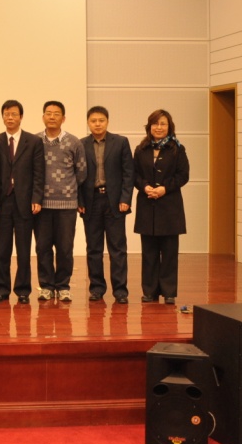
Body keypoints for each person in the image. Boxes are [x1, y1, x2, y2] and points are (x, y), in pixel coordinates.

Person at [77, 106, 134, 304]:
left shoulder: (121, 142)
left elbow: (128, 173)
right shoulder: (81, 144)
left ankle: (120, 291)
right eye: (93, 121)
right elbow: (77, 176)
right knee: (93, 248)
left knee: (117, 248)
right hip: (91, 201)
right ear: (88, 123)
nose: (97, 124)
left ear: (107, 121)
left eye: (101, 120)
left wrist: (125, 199)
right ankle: (96, 288)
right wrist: (80, 201)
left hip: (115, 201)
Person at [133, 108, 189, 305]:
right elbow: (134, 174)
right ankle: (149, 291)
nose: (159, 127)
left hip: (170, 206)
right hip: (147, 205)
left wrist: (165, 189)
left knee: (169, 252)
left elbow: (183, 175)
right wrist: (144, 186)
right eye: (155, 124)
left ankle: (169, 292)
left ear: (169, 127)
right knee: (149, 253)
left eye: (163, 124)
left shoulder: (177, 149)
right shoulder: (141, 149)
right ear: (149, 126)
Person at [34, 100, 87, 303]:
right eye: (48, 113)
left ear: (63, 118)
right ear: (43, 117)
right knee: (43, 247)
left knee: (65, 248)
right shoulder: (35, 141)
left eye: (56, 114)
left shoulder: (74, 142)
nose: (52, 117)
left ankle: (63, 286)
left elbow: (81, 172)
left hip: (66, 205)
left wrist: (68, 190)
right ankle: (46, 286)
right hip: (41, 205)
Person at [0, 99, 44, 304]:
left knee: (23, 250)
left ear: (21, 117)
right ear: (2, 117)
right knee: (1, 249)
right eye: (6, 114)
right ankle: (1, 290)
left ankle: (23, 290)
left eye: (14, 114)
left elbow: (39, 173)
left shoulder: (33, 141)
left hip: (25, 202)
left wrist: (37, 198)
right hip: (2, 202)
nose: (10, 117)